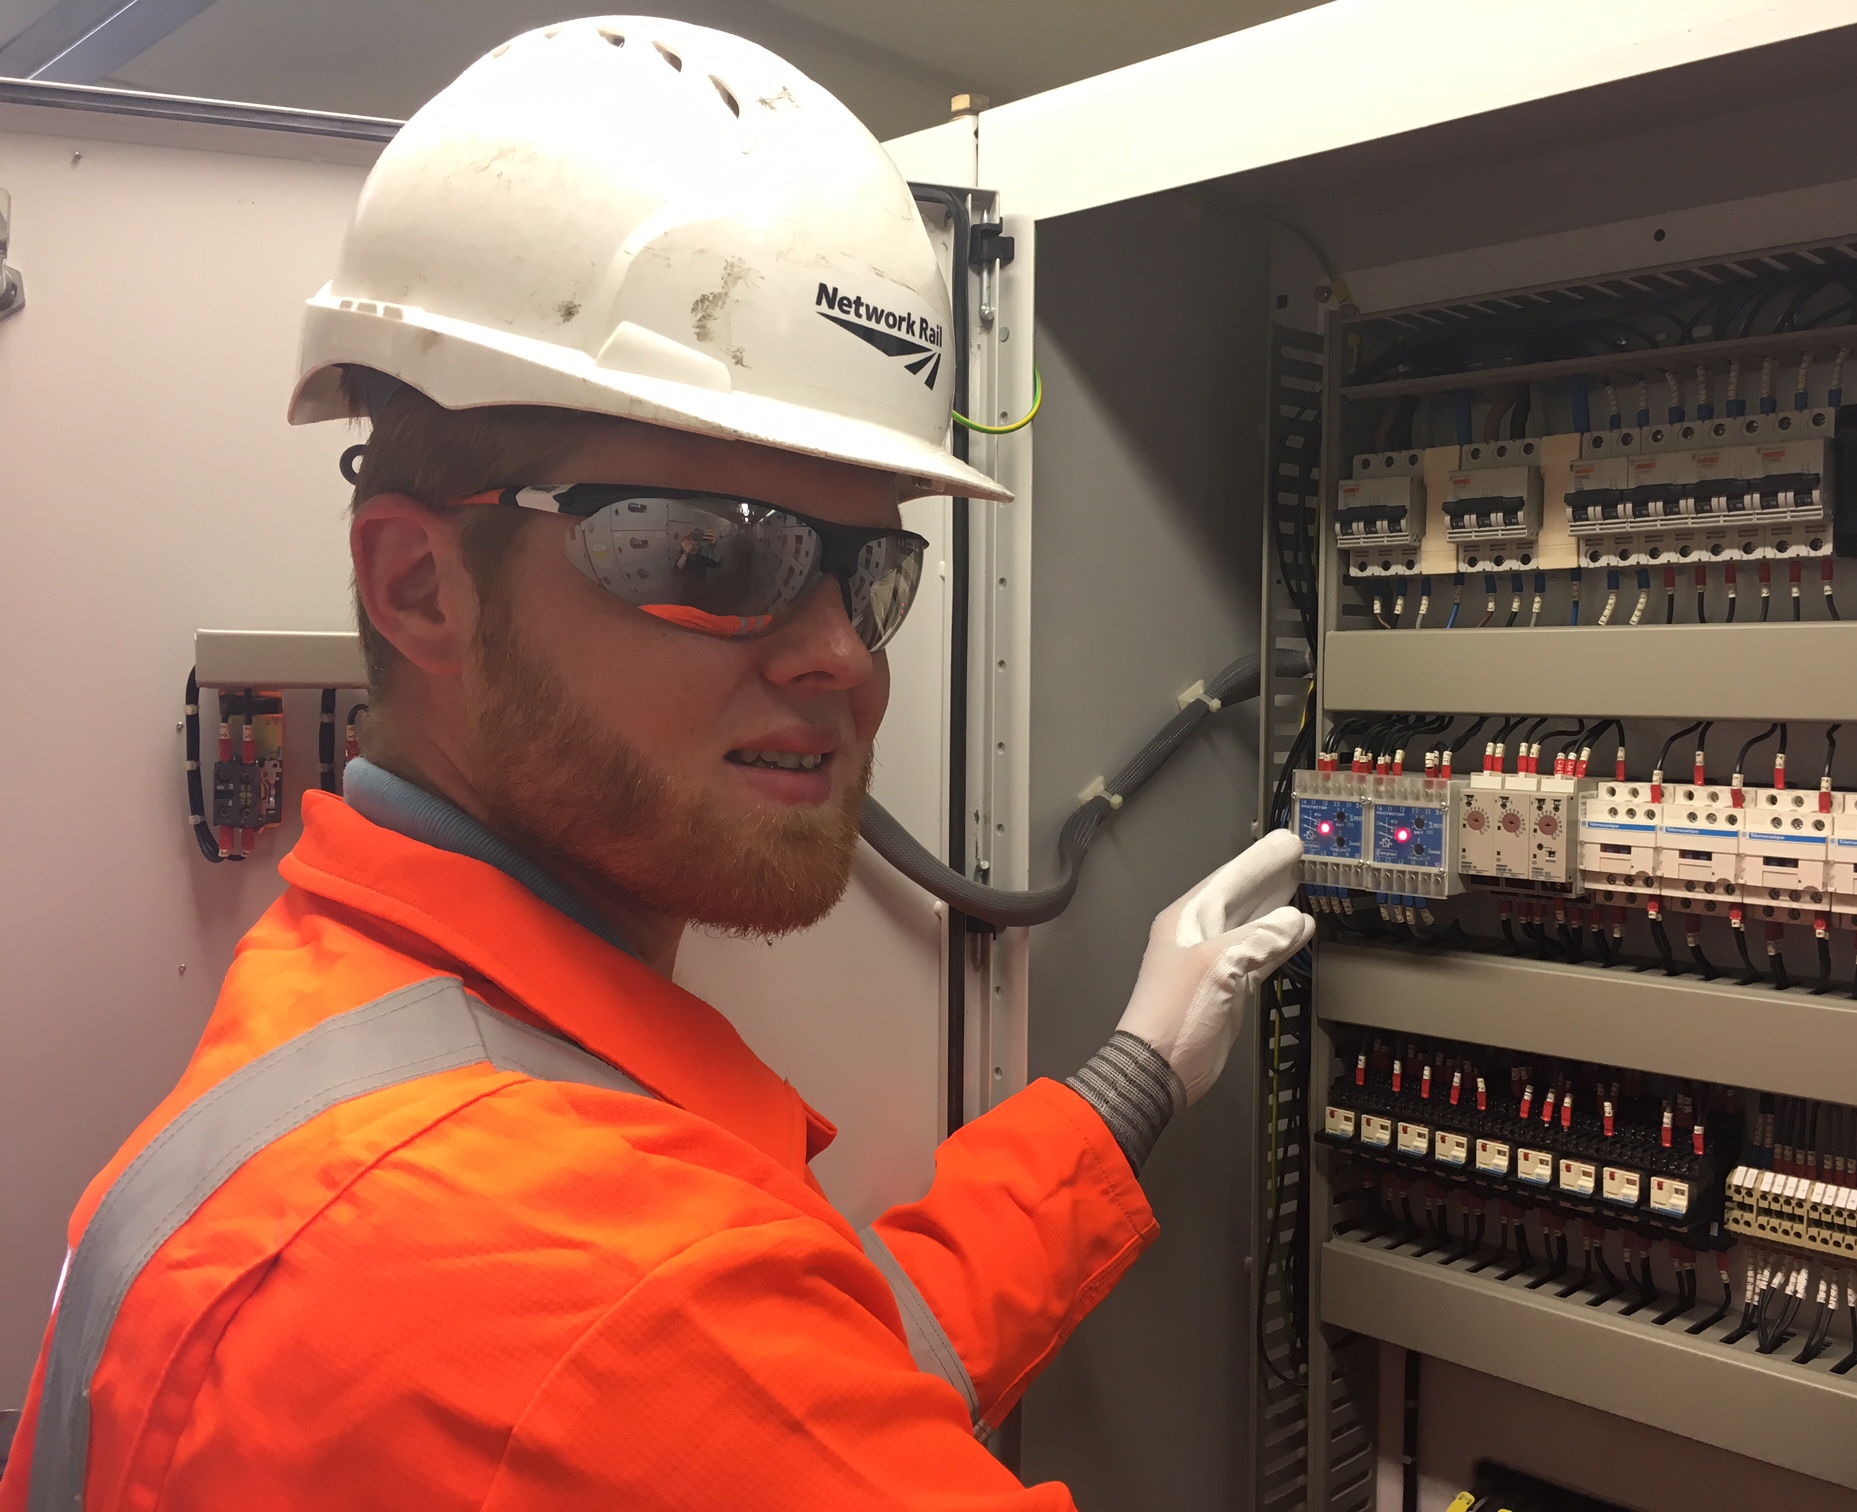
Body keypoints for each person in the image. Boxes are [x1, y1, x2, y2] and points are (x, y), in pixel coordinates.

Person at [0, 18, 1311, 1510]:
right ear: (420, 589)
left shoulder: (352, 1041)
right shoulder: (568, 1289)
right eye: (710, 554)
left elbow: (831, 1369)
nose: (843, 654)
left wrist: (1132, 1078)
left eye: (870, 571)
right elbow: (689, 1368)